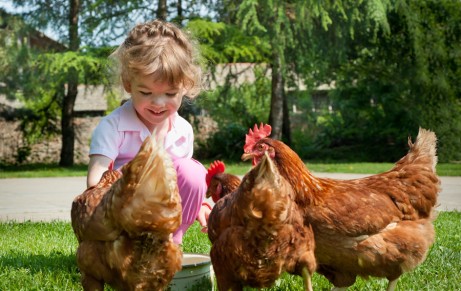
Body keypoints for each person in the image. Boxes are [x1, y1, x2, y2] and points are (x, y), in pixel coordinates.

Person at [86, 19, 210, 245]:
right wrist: (143, 169)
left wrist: (200, 203)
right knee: (159, 164)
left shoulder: (182, 130)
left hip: (163, 219)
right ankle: (129, 246)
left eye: (171, 94)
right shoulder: (113, 126)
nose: (158, 103)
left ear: (186, 87)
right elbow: (96, 183)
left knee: (193, 172)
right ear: (128, 84)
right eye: (146, 92)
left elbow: (185, 183)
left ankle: (172, 244)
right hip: (120, 221)